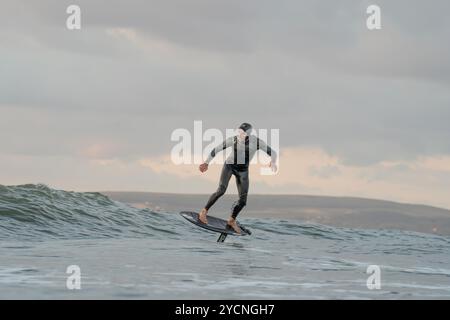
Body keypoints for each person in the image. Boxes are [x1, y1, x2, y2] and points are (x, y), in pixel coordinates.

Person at [198, 123, 277, 233]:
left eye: (243, 133)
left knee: (243, 200)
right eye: (239, 132)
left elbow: (273, 152)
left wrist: (273, 161)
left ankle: (231, 220)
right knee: (221, 190)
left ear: (248, 134)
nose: (240, 135)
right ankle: (204, 211)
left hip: (243, 171)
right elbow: (216, 149)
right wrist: (206, 163)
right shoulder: (233, 140)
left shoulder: (256, 142)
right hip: (229, 166)